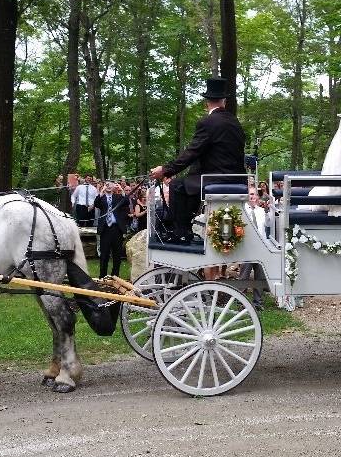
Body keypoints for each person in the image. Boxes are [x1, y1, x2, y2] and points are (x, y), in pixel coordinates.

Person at [149, 77, 246, 244]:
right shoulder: (235, 122)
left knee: (176, 185)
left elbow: (192, 153)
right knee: (189, 182)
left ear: (207, 101)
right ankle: (185, 229)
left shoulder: (208, 122)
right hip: (238, 177)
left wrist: (165, 170)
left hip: (217, 177)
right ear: (224, 100)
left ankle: (180, 232)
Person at [93, 181, 131, 277]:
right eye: (107, 185)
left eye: (111, 185)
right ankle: (102, 276)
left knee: (117, 255)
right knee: (104, 255)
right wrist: (101, 192)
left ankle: (115, 276)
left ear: (114, 187)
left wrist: (121, 190)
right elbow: (96, 204)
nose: (109, 186)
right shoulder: (102, 198)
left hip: (116, 229)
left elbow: (126, 201)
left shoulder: (117, 197)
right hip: (105, 229)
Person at [239, 188, 268, 310]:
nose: (253, 197)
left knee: (260, 275)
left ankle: (258, 302)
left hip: (261, 247)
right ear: (247, 196)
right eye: (251, 194)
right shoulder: (242, 210)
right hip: (247, 247)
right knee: (244, 275)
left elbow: (269, 224)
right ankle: (241, 302)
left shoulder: (261, 211)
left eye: (255, 195)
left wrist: (270, 208)